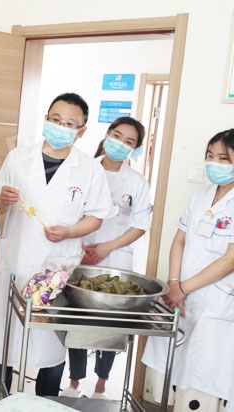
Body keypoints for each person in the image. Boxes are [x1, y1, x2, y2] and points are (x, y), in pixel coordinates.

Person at [0, 93, 114, 409]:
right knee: (3, 339)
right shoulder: (18, 157)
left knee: (50, 345)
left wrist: (69, 232)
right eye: (55, 120)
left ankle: (47, 403)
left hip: (56, 268)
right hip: (14, 262)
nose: (60, 127)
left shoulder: (88, 169)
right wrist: (3, 200)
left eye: (69, 123)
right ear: (45, 119)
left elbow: (96, 217)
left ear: (81, 131)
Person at [143, 129, 234, 410]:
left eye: (224, 158)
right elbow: (179, 240)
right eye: (210, 156)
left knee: (202, 381)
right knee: (175, 373)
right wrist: (174, 283)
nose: (214, 163)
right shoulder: (201, 196)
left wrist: (182, 288)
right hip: (183, 294)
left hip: (216, 302)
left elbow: (230, 260)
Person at [62, 117, 152, 400]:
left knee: (110, 325)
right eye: (117, 135)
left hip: (115, 260)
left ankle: (101, 385)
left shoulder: (136, 182)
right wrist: (81, 245)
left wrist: (107, 247)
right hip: (79, 253)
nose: (120, 143)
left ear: (135, 149)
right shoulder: (83, 169)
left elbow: (140, 225)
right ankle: (74, 382)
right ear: (107, 134)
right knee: (78, 321)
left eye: (129, 141)